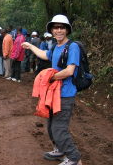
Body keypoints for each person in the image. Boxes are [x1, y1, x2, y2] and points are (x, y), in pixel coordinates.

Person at [21, 14, 82, 165]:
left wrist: (51, 78)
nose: (59, 30)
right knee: (50, 127)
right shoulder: (55, 46)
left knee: (59, 129)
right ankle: (60, 150)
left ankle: (73, 157)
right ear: (52, 30)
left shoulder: (72, 47)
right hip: (53, 94)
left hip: (65, 94)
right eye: (56, 28)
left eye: (62, 27)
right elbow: (44, 55)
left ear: (67, 30)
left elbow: (69, 71)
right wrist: (30, 46)